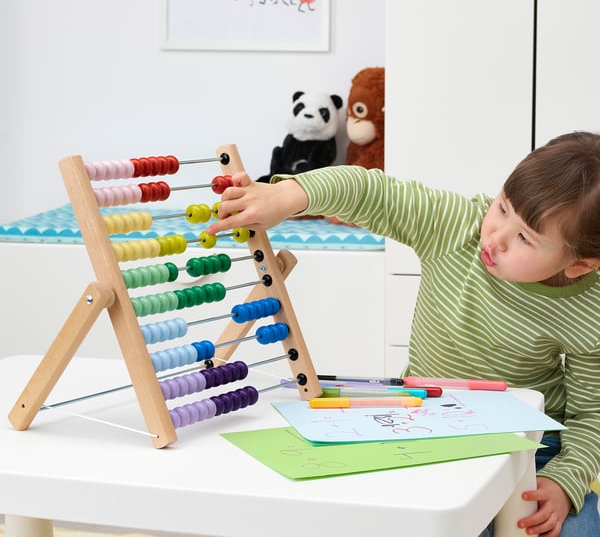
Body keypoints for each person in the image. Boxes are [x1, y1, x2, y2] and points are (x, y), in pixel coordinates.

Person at [208, 131, 600, 537]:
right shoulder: (455, 225)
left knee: (575, 530)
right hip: (426, 431)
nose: (495, 237)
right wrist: (286, 197)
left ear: (579, 266)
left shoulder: (590, 312)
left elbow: (593, 414)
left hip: (532, 450)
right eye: (502, 207)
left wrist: (563, 482)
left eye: (524, 238)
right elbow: (370, 190)